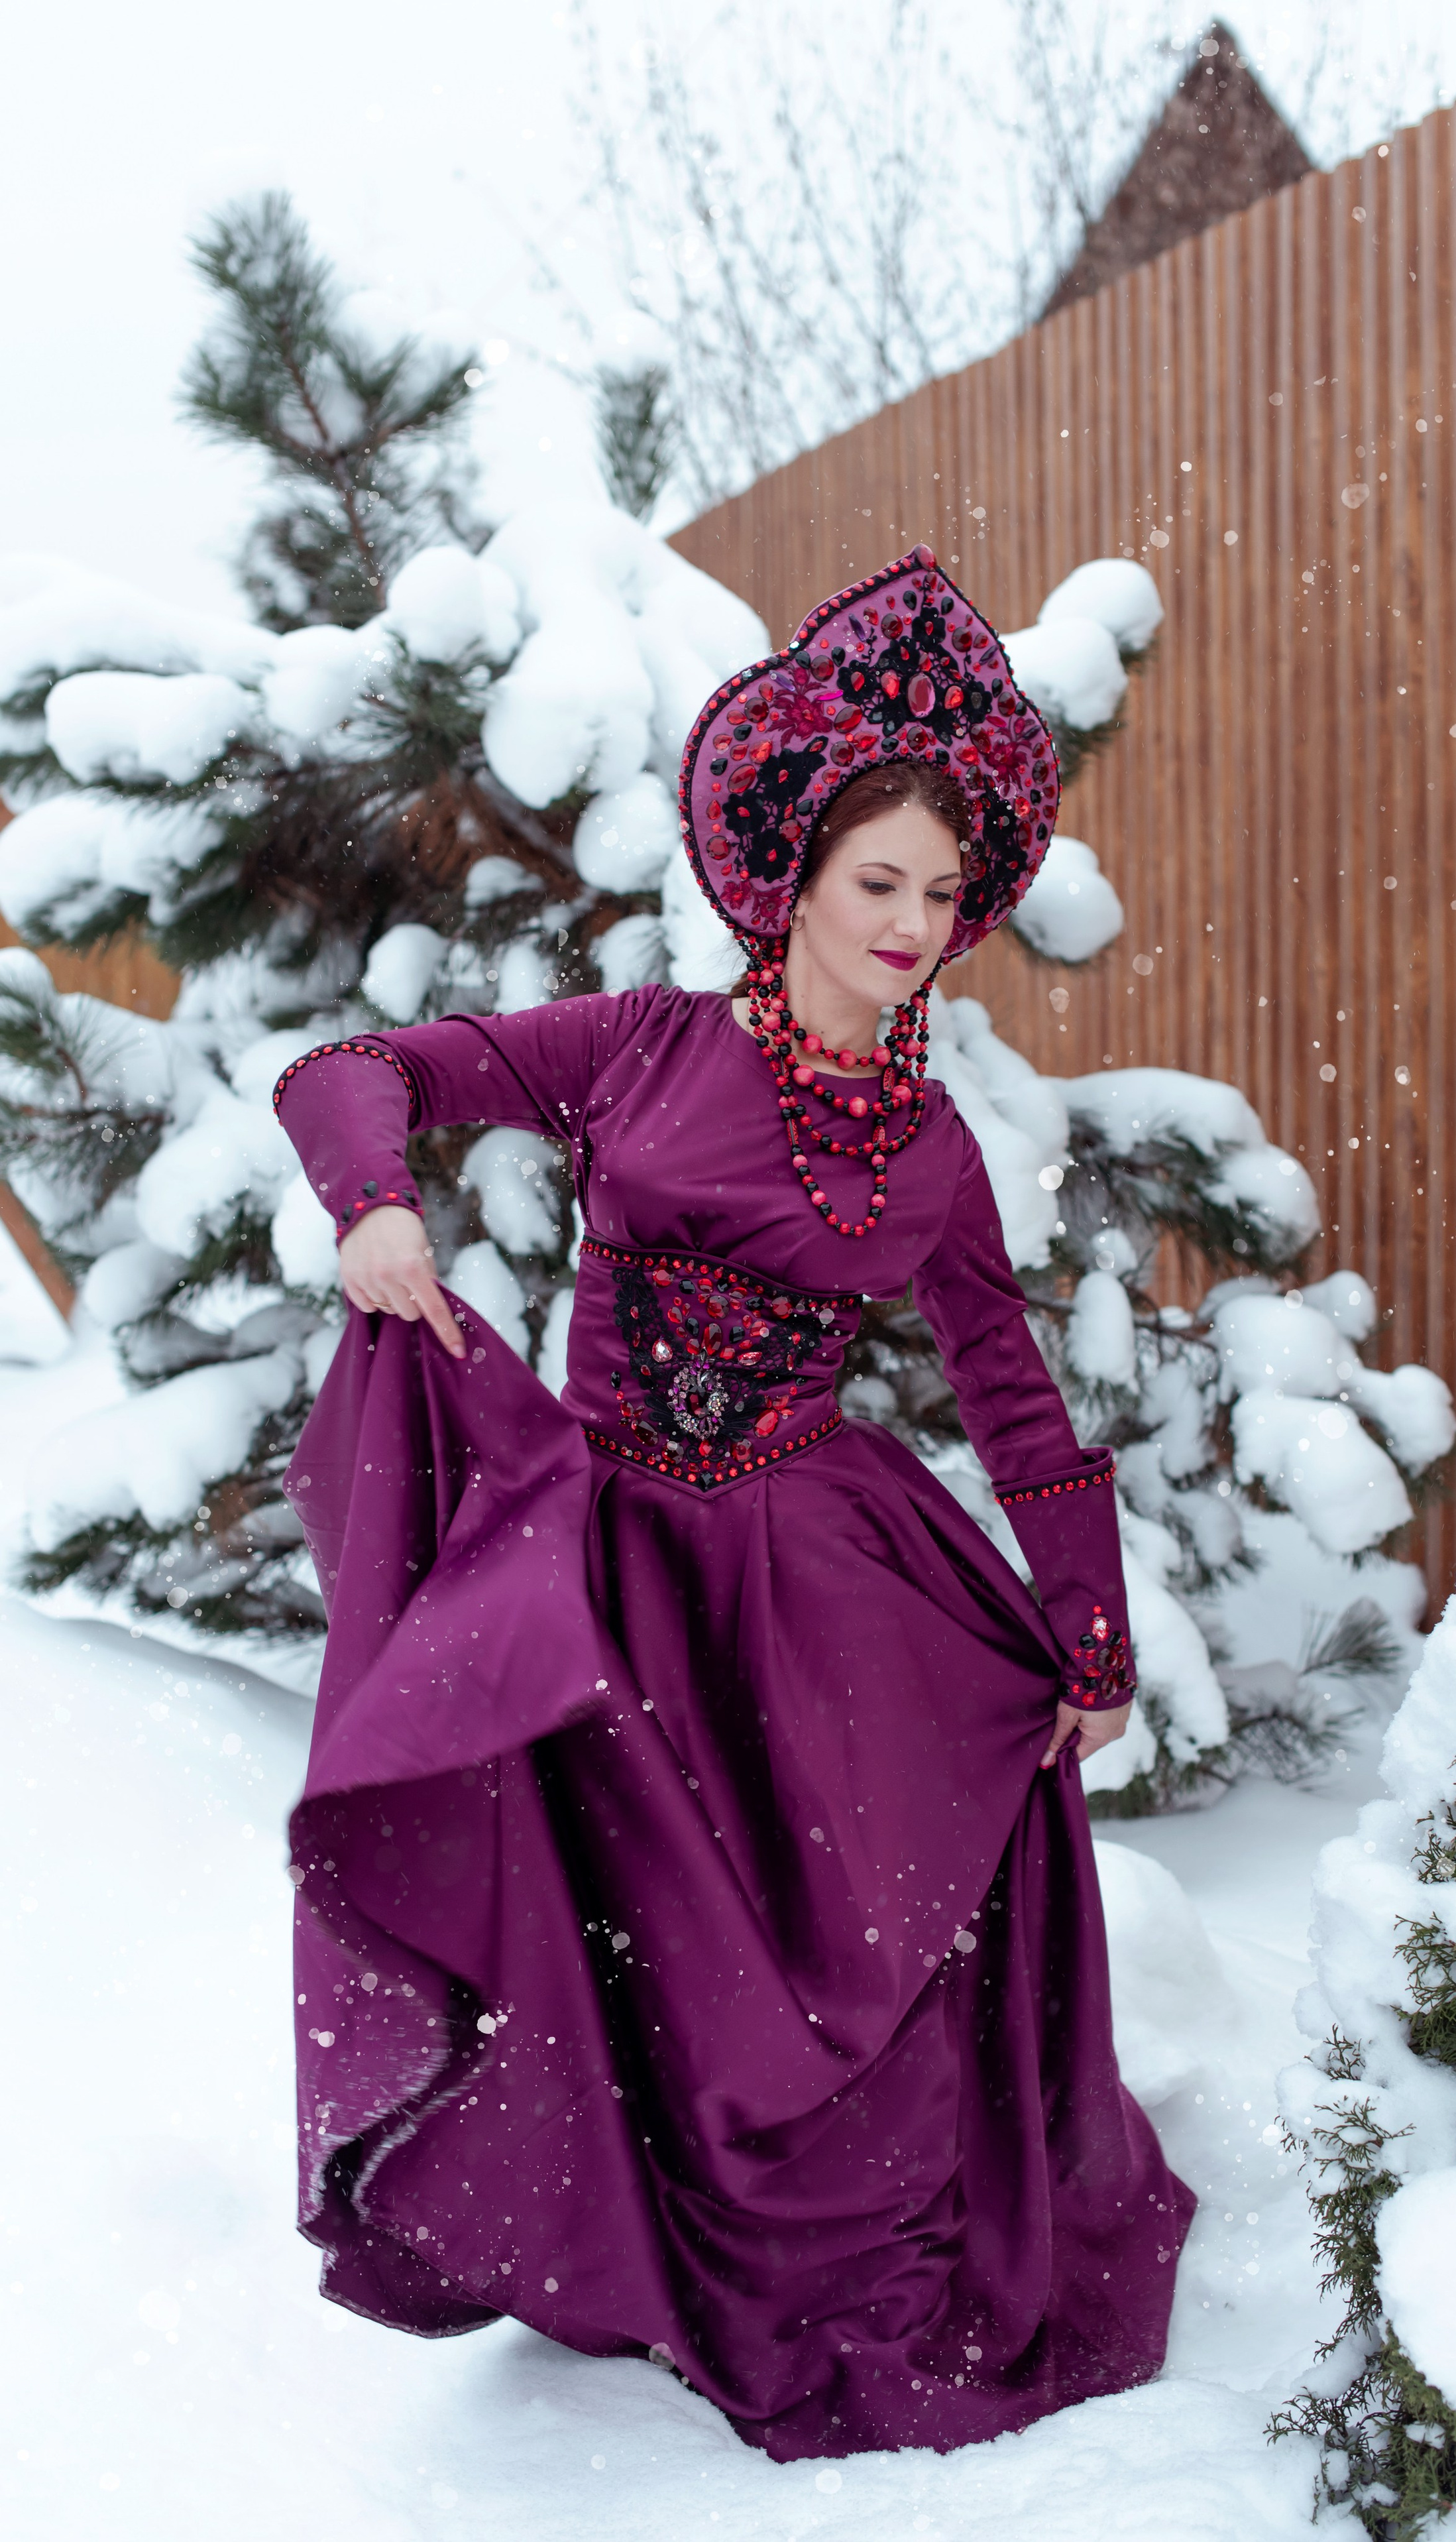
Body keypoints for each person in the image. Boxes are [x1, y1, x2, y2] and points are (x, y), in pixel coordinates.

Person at [274, 544, 1194, 2462]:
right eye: (881, 883)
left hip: (814, 1560)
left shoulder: (934, 1149)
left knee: (854, 1942)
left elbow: (1014, 1401)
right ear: (791, 873)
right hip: (606, 1555)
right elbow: (359, 1067)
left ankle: (829, 2254)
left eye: (945, 892)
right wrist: (377, 1207)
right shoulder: (645, 1047)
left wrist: (1090, 1630)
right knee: (630, 1940)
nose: (917, 923)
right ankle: (631, 2261)